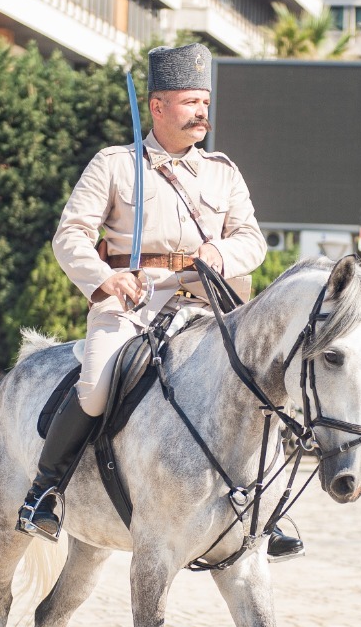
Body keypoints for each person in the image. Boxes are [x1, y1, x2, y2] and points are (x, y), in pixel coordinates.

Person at [16, 43, 299, 557]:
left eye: (205, 104)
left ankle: (272, 509)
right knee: (96, 385)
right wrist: (105, 279)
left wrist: (218, 250)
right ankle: (46, 492)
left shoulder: (222, 172)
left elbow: (253, 241)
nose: (201, 115)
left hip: (206, 303)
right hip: (133, 301)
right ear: (158, 107)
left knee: (261, 384)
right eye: (191, 103)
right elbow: (70, 235)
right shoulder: (116, 165)